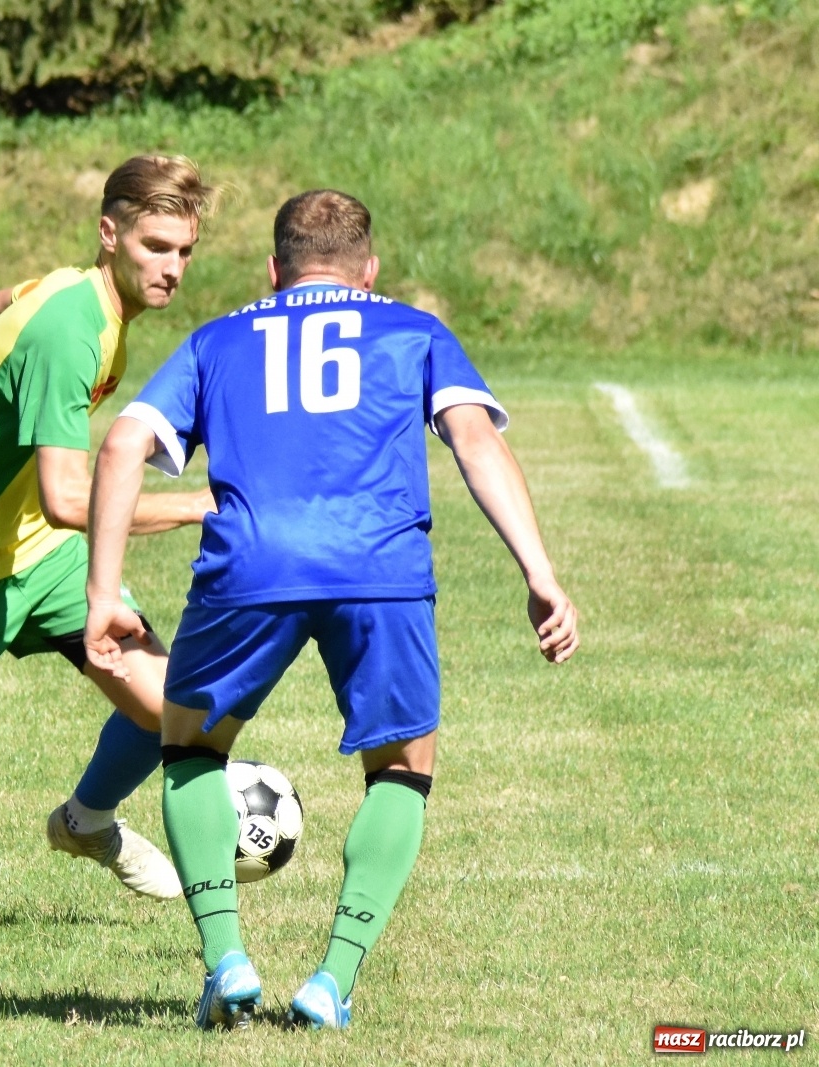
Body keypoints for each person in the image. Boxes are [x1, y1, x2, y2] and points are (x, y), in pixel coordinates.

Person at [83, 189, 581, 1030]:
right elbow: (475, 438)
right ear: (369, 270)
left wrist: (104, 591)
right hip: (377, 567)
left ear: (274, 271)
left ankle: (227, 960)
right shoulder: (413, 330)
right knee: (401, 767)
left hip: (251, 563)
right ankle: (332, 980)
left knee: (191, 747)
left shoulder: (217, 338)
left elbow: (124, 443)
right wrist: (539, 572)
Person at [0, 155, 217, 917]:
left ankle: (86, 822)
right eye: (156, 246)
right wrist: (196, 506)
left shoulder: (71, 290)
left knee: (170, 706)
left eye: (185, 251)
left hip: (34, 550)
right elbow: (67, 499)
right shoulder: (70, 331)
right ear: (110, 233)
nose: (173, 268)